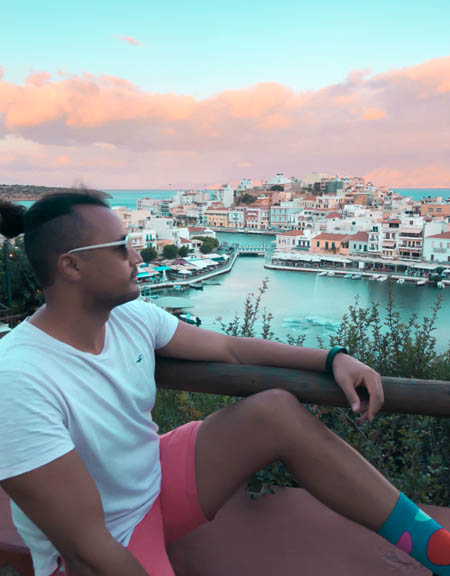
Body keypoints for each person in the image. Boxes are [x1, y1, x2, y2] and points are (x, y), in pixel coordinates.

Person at [0, 190, 448, 576]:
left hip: (154, 479)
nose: (136, 257)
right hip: (109, 537)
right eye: (121, 248)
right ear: (72, 267)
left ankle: (433, 547)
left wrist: (333, 358)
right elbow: (89, 550)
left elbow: (230, 350)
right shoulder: (19, 378)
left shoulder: (129, 316)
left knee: (275, 411)